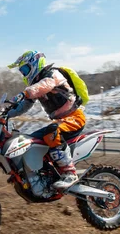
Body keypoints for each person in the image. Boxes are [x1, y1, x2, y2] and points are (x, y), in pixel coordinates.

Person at [7, 50, 86, 190]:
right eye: (22, 72)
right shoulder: (36, 86)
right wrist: (5, 113)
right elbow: (23, 107)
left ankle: (70, 173)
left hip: (74, 117)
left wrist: (26, 92)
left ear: (35, 63)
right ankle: (42, 175)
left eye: (25, 69)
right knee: (28, 141)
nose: (24, 74)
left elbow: (46, 85)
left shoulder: (52, 74)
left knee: (51, 132)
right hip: (60, 122)